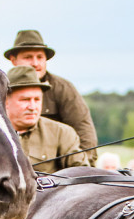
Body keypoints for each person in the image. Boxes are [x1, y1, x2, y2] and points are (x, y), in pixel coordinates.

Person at [5, 30, 98, 164]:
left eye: (40, 57)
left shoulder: (63, 89)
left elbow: (85, 133)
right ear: (13, 60)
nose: (35, 63)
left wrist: (82, 168)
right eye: (28, 57)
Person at [4, 65, 89, 174]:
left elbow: (82, 174)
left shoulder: (61, 133)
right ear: (5, 101)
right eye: (25, 100)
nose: (32, 107)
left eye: (37, 99)